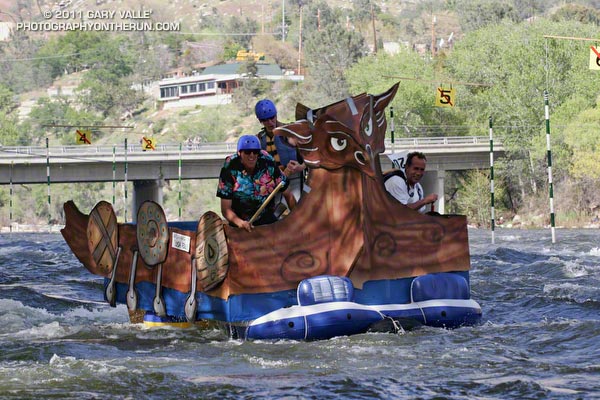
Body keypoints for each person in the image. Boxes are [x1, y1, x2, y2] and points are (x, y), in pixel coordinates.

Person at [217, 135, 297, 232]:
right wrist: (240, 223)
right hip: (240, 223)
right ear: (239, 153)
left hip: (267, 219)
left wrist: (298, 219)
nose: (252, 155)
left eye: (255, 152)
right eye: (247, 152)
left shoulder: (267, 161)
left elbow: (289, 195)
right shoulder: (230, 167)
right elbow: (226, 209)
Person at [255, 99, 306, 202]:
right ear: (260, 121)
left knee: (297, 212)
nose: (270, 122)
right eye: (265, 120)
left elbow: (312, 155)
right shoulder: (259, 139)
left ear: (276, 115)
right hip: (274, 185)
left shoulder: (291, 132)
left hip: (294, 180)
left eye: (271, 118)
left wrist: (301, 167)